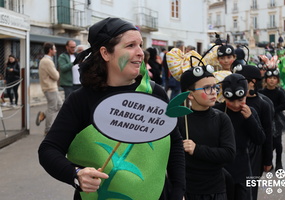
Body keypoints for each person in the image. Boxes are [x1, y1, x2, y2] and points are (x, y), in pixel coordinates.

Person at [38, 17, 185, 200]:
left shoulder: (155, 93)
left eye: (140, 45)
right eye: (130, 45)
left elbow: (175, 143)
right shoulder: (82, 100)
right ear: (106, 53)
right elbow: (48, 150)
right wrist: (76, 174)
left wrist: (179, 190)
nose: (141, 52)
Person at [179, 65, 236, 199]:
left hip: (215, 190)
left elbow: (229, 154)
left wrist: (197, 149)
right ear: (190, 94)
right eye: (206, 88)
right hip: (188, 190)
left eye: (215, 87)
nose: (213, 92)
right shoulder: (180, 120)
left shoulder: (222, 118)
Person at [214, 73, 265, 200]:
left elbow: (260, 139)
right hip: (221, 167)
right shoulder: (217, 111)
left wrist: (249, 119)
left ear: (246, 93)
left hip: (242, 166)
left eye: (240, 100)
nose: (236, 104)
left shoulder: (250, 111)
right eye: (231, 100)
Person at [233, 64, 274, 200]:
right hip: (235, 152)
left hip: (255, 154)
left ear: (252, 82)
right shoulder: (231, 102)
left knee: (250, 190)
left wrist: (268, 159)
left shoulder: (264, 104)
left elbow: (267, 134)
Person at [260, 68, 285, 171]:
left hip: (276, 119)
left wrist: (273, 110)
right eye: (269, 78)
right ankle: (268, 161)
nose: (272, 80)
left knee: (277, 142)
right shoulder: (262, 92)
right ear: (265, 80)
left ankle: (279, 162)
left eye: (274, 78)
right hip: (265, 119)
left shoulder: (279, 92)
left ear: (278, 80)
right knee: (268, 141)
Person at [35, 42, 63, 135]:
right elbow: (56, 76)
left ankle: (43, 115)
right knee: (52, 108)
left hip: (51, 87)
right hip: (50, 88)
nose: (55, 50)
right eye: (54, 49)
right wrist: (57, 73)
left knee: (60, 106)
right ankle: (47, 130)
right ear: (50, 50)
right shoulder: (47, 61)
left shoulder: (46, 60)